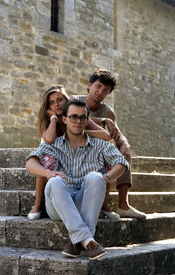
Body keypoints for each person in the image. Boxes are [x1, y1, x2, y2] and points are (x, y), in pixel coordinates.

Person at [25, 99, 129, 260]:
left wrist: (106, 177)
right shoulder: (54, 144)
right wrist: (48, 173)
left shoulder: (99, 145)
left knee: (96, 177)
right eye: (73, 117)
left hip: (84, 202)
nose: (78, 121)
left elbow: (121, 162)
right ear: (65, 119)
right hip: (58, 204)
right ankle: (88, 240)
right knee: (55, 181)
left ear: (87, 120)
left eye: (82, 117)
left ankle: (81, 242)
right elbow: (30, 162)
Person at [28, 85, 112, 220]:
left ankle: (104, 205)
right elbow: (49, 139)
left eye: (60, 100)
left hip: (78, 148)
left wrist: (78, 130)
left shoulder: (77, 116)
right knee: (45, 160)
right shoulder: (47, 120)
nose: (56, 104)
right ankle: (37, 205)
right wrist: (54, 119)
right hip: (56, 152)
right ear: (48, 106)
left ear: (66, 100)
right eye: (52, 102)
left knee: (107, 160)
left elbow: (106, 135)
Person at [72, 68, 146, 219]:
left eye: (105, 90)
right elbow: (75, 120)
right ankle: (102, 205)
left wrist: (125, 144)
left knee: (123, 153)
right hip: (75, 146)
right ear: (90, 85)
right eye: (98, 86)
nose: (100, 91)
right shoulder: (74, 101)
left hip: (98, 150)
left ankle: (123, 205)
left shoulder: (108, 112)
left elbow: (117, 135)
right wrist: (104, 121)